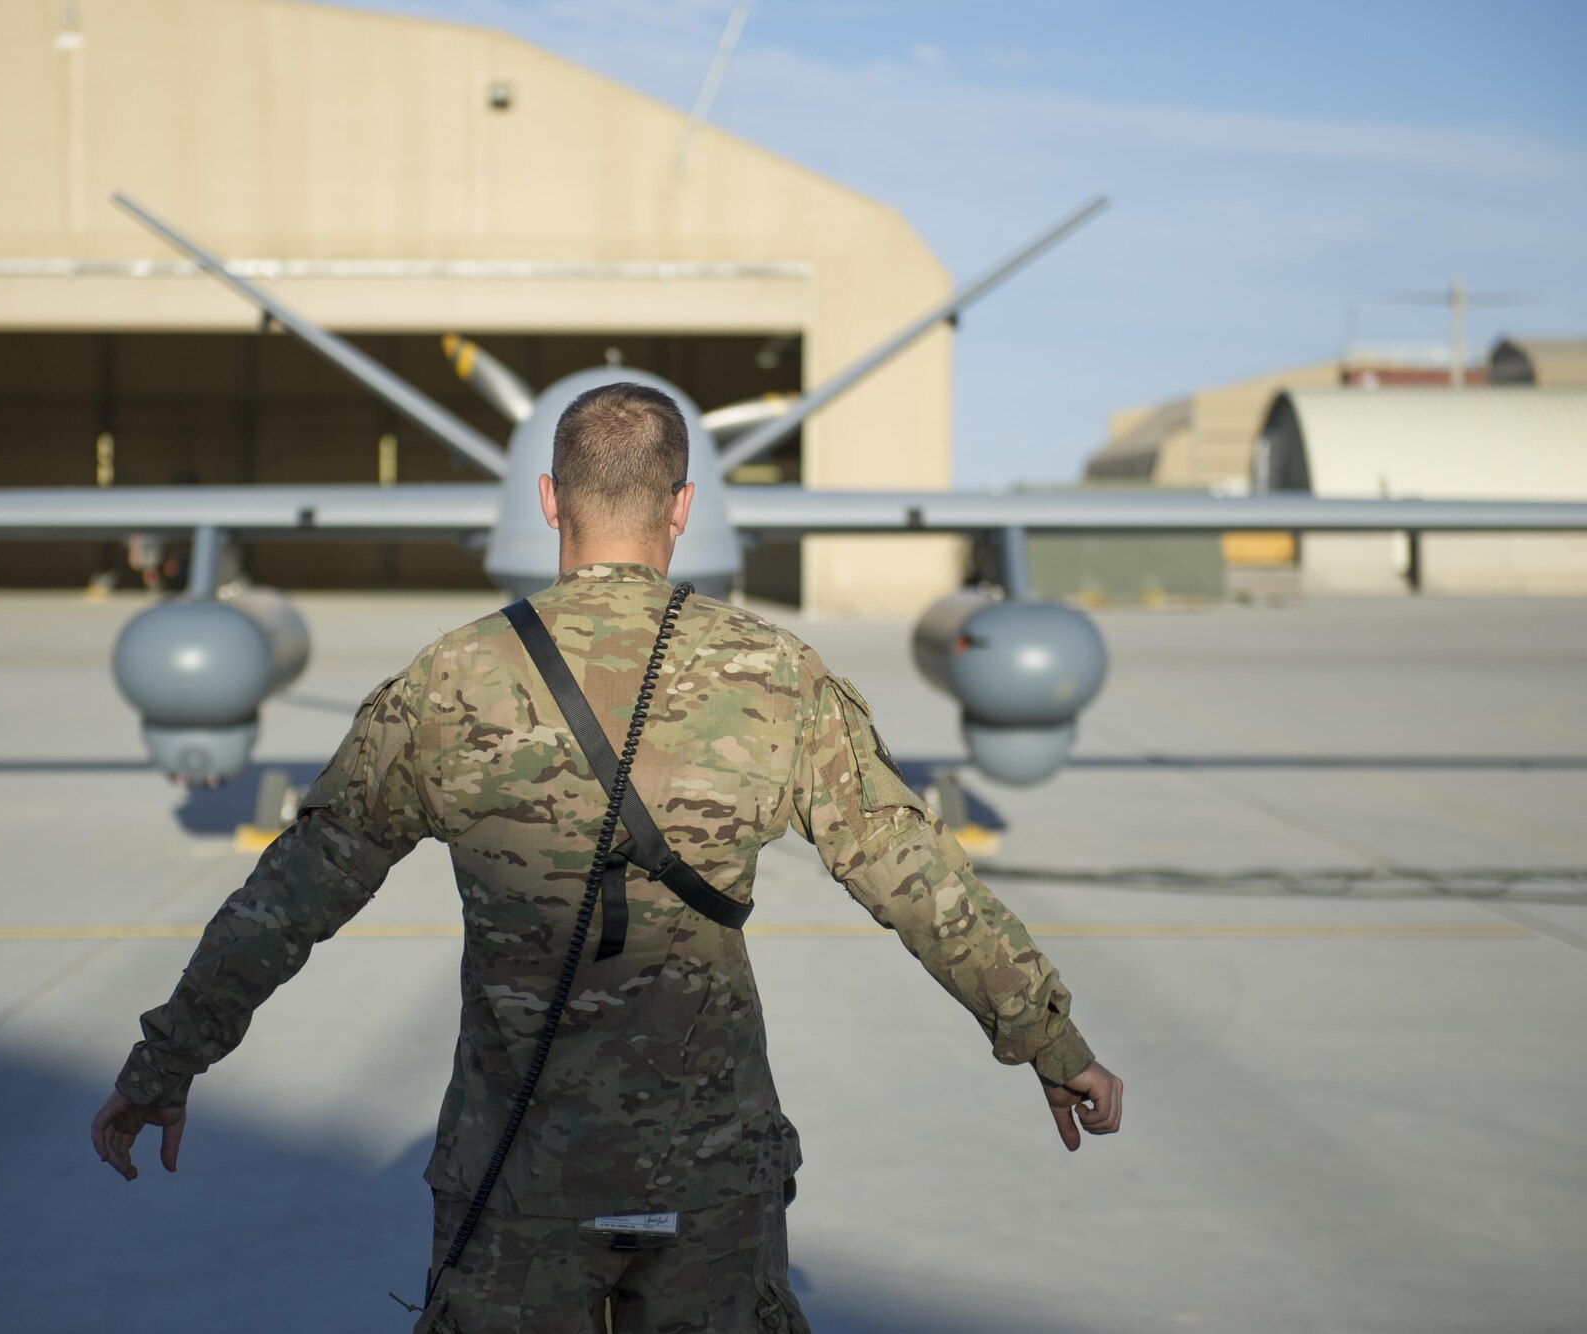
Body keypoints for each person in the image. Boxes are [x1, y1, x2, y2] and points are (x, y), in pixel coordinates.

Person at [90, 382, 1123, 1332]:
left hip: (514, 1182)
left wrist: (165, 1060)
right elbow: (918, 879)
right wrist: (1049, 1038)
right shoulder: (774, 677)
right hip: (708, 1175)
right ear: (679, 508)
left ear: (548, 499)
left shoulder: (451, 679)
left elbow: (290, 896)